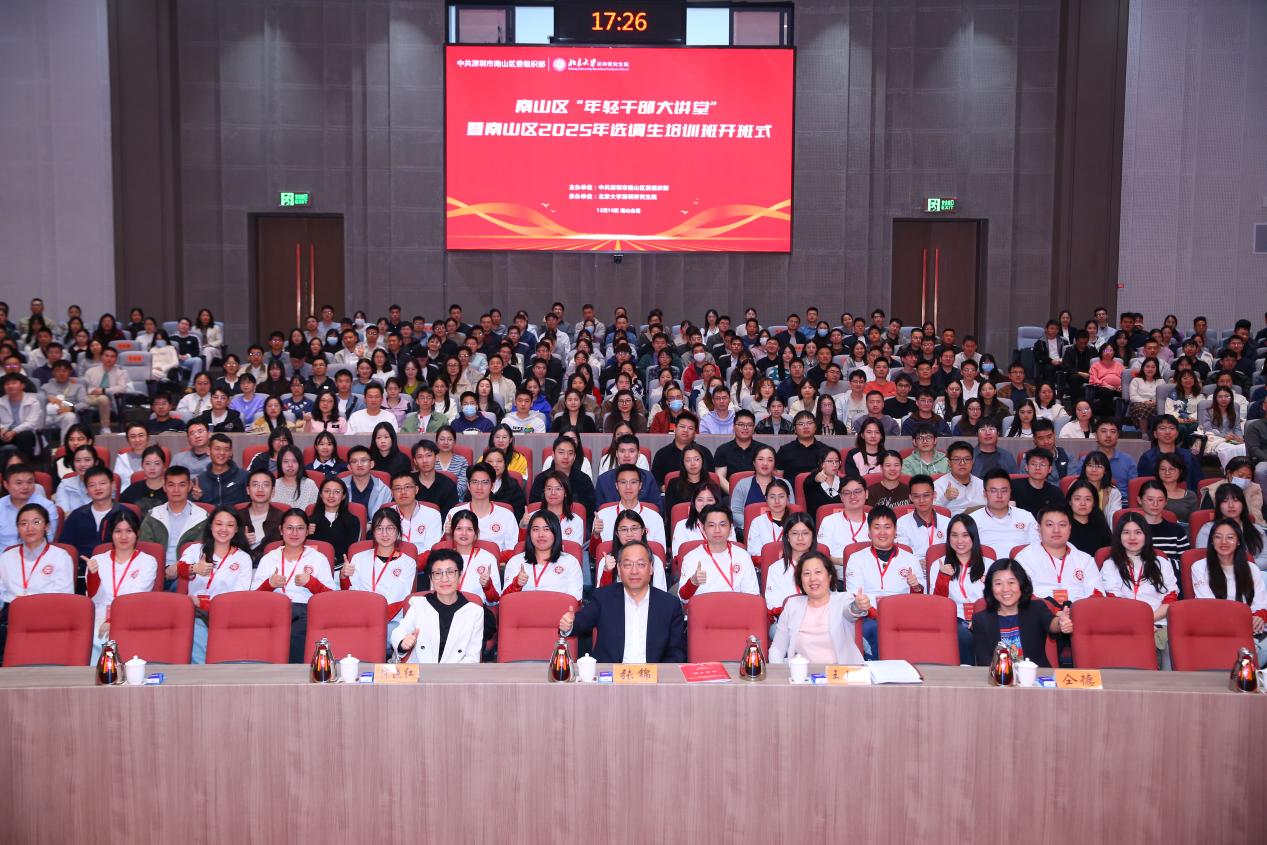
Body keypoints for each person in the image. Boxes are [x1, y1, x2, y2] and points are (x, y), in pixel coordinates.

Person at [558, 540, 687, 664]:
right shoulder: (603, 597)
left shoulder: (669, 605)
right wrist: (568, 625)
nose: (634, 571)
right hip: (611, 676)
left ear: (651, 568)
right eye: (627, 565)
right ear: (619, 569)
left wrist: (660, 675)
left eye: (641, 564)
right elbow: (580, 622)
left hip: (652, 676)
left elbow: (676, 653)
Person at [253, 508, 337, 662]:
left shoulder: (318, 558)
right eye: (289, 528)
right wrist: (269, 584)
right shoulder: (269, 558)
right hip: (274, 611)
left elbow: (331, 598)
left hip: (306, 610)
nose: (294, 533)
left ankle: (293, 671)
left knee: (296, 632)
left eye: (300, 528)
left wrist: (312, 583)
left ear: (307, 531)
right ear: (281, 530)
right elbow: (254, 598)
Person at [390, 549, 490, 664]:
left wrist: (448, 674)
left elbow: (472, 657)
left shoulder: (475, 612)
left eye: (450, 572)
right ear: (431, 578)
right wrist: (403, 643)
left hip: (456, 672)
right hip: (421, 670)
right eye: (438, 573)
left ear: (460, 576)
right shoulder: (418, 604)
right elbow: (400, 631)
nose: (444, 579)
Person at [768, 550, 866, 664]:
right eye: (806, 573)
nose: (812, 578)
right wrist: (778, 672)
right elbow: (777, 648)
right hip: (803, 673)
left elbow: (851, 611)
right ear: (800, 579)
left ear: (829, 576)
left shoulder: (843, 599)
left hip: (841, 672)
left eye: (818, 572)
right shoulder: (792, 604)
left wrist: (858, 606)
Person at [0, 504, 74, 656]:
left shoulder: (60, 556)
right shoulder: (6, 558)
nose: (30, 528)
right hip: (11, 617)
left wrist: (30, 603)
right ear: (18, 528)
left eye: (36, 522)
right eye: (24, 523)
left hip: (47, 615)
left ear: (46, 526)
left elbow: (65, 597)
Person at [85, 510, 159, 661]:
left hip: (132, 616)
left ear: (137, 533)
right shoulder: (97, 560)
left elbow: (135, 597)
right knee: (93, 637)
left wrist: (113, 621)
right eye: (118, 531)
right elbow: (95, 598)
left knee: (109, 637)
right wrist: (93, 575)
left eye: (129, 531)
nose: (123, 537)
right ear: (111, 534)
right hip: (99, 616)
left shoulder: (148, 561)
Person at [1191, 519, 1267, 665]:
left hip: (1250, 629)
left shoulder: (1252, 568)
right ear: (1211, 540)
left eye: (1230, 537)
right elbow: (1209, 605)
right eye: (1218, 537)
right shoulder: (1199, 567)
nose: (1224, 542)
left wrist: (1258, 616)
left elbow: (1260, 602)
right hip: (1218, 628)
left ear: (1238, 541)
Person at [1104, 512, 1177, 662]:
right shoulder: (1110, 564)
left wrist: (1147, 620)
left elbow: (1171, 600)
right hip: (1124, 625)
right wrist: (1140, 623)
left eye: (1138, 532)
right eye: (1126, 532)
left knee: (1171, 647)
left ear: (1146, 535)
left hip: (1159, 623)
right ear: (1119, 536)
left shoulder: (1162, 563)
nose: (1132, 537)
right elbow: (1114, 602)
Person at [971, 558, 1072, 668]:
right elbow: (984, 661)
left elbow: (1052, 624)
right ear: (990, 588)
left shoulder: (1036, 608)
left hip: (1036, 676)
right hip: (1000, 676)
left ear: (1021, 583)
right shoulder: (981, 619)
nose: (1005, 589)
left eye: (1011, 582)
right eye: (998, 583)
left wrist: (1061, 623)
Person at [927, 514, 992, 664]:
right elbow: (936, 604)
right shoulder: (939, 564)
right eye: (954, 535)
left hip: (982, 617)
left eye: (965, 535)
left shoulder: (989, 564)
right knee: (963, 635)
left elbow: (996, 602)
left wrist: (979, 617)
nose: (959, 541)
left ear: (974, 537)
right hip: (953, 619)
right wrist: (943, 577)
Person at [343, 509, 416, 639]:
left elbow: (400, 597)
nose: (384, 534)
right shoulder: (358, 558)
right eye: (379, 528)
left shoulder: (408, 562)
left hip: (391, 621)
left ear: (398, 531)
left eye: (390, 528)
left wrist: (374, 622)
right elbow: (352, 592)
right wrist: (344, 577)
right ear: (373, 532)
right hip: (360, 618)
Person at [1013, 504, 1102, 602]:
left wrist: (1074, 609)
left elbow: (1097, 596)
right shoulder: (1024, 558)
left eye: (1062, 525)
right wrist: (1052, 608)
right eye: (1049, 525)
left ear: (1070, 528)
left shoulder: (1086, 560)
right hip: (1041, 610)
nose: (1056, 530)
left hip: (1078, 610)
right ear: (1039, 528)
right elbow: (1022, 595)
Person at [140, 467, 208, 585]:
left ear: (189, 486)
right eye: (171, 485)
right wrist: (163, 570)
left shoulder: (201, 517)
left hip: (187, 573)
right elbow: (145, 548)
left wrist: (177, 568)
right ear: (164, 487)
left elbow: (201, 551)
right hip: (155, 571)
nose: (176, 490)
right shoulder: (154, 515)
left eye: (182, 485)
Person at [677, 505, 759, 600]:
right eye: (711, 525)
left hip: (737, 607)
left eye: (722, 525)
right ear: (703, 528)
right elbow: (683, 598)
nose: (717, 530)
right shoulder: (691, 557)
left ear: (731, 528)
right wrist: (693, 583)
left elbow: (752, 596)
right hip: (704, 608)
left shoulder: (743, 556)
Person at [501, 510, 583, 601]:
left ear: (556, 532)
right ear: (529, 534)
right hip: (523, 610)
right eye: (536, 529)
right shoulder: (515, 561)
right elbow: (505, 601)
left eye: (546, 529)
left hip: (559, 610)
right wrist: (516, 585)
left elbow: (575, 600)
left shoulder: (570, 562)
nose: (541, 535)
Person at [444, 463, 518, 552]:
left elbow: (511, 551)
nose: (479, 487)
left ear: (492, 486)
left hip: (497, 560)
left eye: (485, 482)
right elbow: (446, 550)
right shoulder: (454, 513)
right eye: (475, 482)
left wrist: (491, 557)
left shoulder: (507, 515)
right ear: (468, 485)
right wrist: (448, 535)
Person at [1194, 483, 1267, 570]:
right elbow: (1204, 558)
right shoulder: (1207, 530)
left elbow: (1265, 558)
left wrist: (1244, 566)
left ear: (1243, 504)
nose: (1231, 505)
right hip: (1218, 574)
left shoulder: (1257, 529)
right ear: (1218, 505)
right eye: (1225, 501)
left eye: (1235, 500)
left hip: (1253, 572)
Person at [594, 464, 667, 550]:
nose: (628, 487)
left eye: (633, 482)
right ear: (616, 486)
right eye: (623, 482)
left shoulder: (655, 518)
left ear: (640, 485)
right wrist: (596, 535)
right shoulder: (602, 516)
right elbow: (595, 554)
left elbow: (660, 552)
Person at [762, 512, 817, 623]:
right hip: (786, 622)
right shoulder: (776, 569)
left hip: (819, 620)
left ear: (812, 536)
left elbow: (831, 599)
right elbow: (773, 604)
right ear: (787, 537)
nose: (800, 538)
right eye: (795, 533)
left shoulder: (822, 566)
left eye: (805, 533)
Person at [971, 469, 1039, 554]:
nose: (999, 495)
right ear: (985, 493)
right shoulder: (973, 520)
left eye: (1004, 491)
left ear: (1010, 492)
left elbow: (1037, 549)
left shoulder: (1026, 517)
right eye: (993, 491)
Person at [1069, 418, 1137, 498]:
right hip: (1093, 500)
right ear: (1095, 435)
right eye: (1103, 431)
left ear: (1118, 435)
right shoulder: (1085, 460)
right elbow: (1079, 486)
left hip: (1123, 501)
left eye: (1113, 432)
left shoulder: (1128, 460)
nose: (1108, 435)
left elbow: (1134, 490)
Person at [306, 477, 361, 570]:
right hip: (313, 568)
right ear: (321, 494)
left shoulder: (353, 521)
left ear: (343, 496)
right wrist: (305, 533)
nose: (331, 495)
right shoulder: (309, 521)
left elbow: (352, 552)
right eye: (327, 491)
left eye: (337, 492)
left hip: (341, 570)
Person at [896, 475, 951, 563]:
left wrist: (935, 563)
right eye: (916, 496)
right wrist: (917, 563)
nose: (921, 500)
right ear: (910, 497)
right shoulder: (901, 524)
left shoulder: (947, 523)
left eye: (926, 495)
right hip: (913, 568)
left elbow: (952, 553)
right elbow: (903, 555)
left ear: (934, 495)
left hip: (942, 567)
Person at [818, 476, 871, 564]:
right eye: (847, 493)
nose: (852, 496)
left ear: (866, 494)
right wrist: (844, 562)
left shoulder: (877, 522)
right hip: (838, 570)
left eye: (857, 491)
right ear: (841, 497)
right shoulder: (829, 521)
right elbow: (822, 556)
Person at [1136, 480, 1190, 562]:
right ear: (1139, 500)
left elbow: (1185, 564)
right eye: (1150, 499)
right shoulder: (1132, 530)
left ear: (1166, 502)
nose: (1155, 504)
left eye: (1160, 500)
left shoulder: (1177, 531)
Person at [193, 434, 248, 508]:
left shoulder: (244, 477)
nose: (222, 453)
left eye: (226, 449)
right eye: (217, 449)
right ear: (208, 451)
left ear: (231, 453)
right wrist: (195, 499)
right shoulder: (199, 481)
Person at [774, 411, 831, 481]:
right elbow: (779, 477)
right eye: (801, 424)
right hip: (791, 487)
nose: (806, 427)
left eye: (809, 423)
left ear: (815, 427)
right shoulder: (784, 450)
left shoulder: (825, 450)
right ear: (795, 429)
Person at [933, 441, 986, 515]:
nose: (962, 463)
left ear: (972, 462)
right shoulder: (939, 485)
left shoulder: (982, 484)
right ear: (949, 463)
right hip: (952, 521)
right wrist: (945, 498)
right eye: (957, 459)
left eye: (967, 459)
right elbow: (931, 510)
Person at [1066, 479, 1113, 556]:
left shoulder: (1100, 523)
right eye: (1077, 499)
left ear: (1094, 502)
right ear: (1070, 501)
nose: (1083, 503)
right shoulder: (1063, 526)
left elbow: (1109, 551)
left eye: (1088, 499)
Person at [342, 445, 392, 517]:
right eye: (354, 461)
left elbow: (385, 517)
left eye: (363, 460)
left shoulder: (384, 490)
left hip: (375, 524)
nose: (359, 464)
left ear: (371, 464)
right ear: (349, 467)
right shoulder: (339, 487)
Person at [1010, 448, 1064, 515]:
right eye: (1033, 464)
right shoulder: (1013, 486)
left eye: (1042, 465)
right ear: (1026, 467)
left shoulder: (1056, 493)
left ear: (1050, 469)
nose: (1037, 468)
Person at [120, 445, 168, 516]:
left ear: (164, 466)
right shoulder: (134, 489)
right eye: (147, 463)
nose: (152, 468)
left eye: (157, 463)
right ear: (142, 465)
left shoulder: (171, 489)